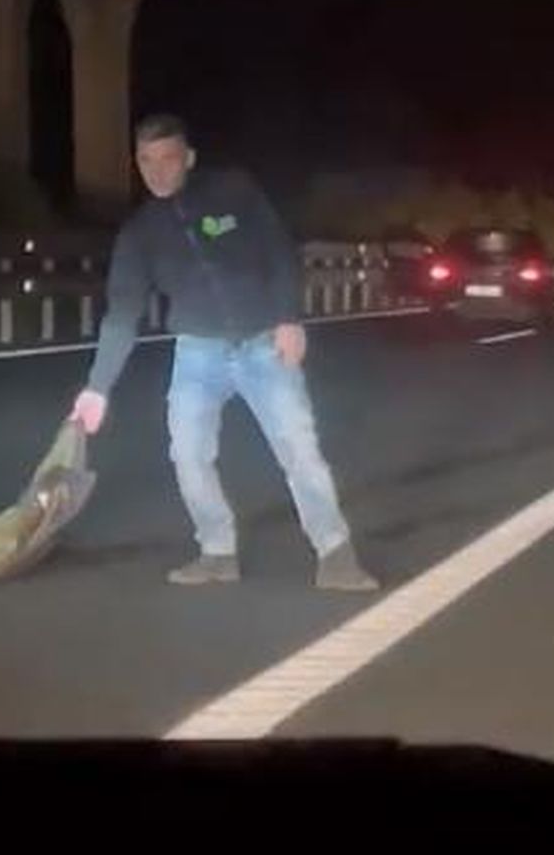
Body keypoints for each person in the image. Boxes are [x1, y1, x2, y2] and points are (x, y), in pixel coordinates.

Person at [68, 114, 380, 592]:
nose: (157, 171)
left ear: (188, 158)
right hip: (198, 354)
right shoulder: (139, 234)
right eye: (147, 161)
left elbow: (278, 252)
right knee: (188, 455)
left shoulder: (233, 192)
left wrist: (288, 317)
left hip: (263, 345)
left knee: (299, 451)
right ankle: (216, 552)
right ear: (137, 163)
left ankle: (335, 553)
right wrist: (97, 388)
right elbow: (121, 314)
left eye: (168, 159)